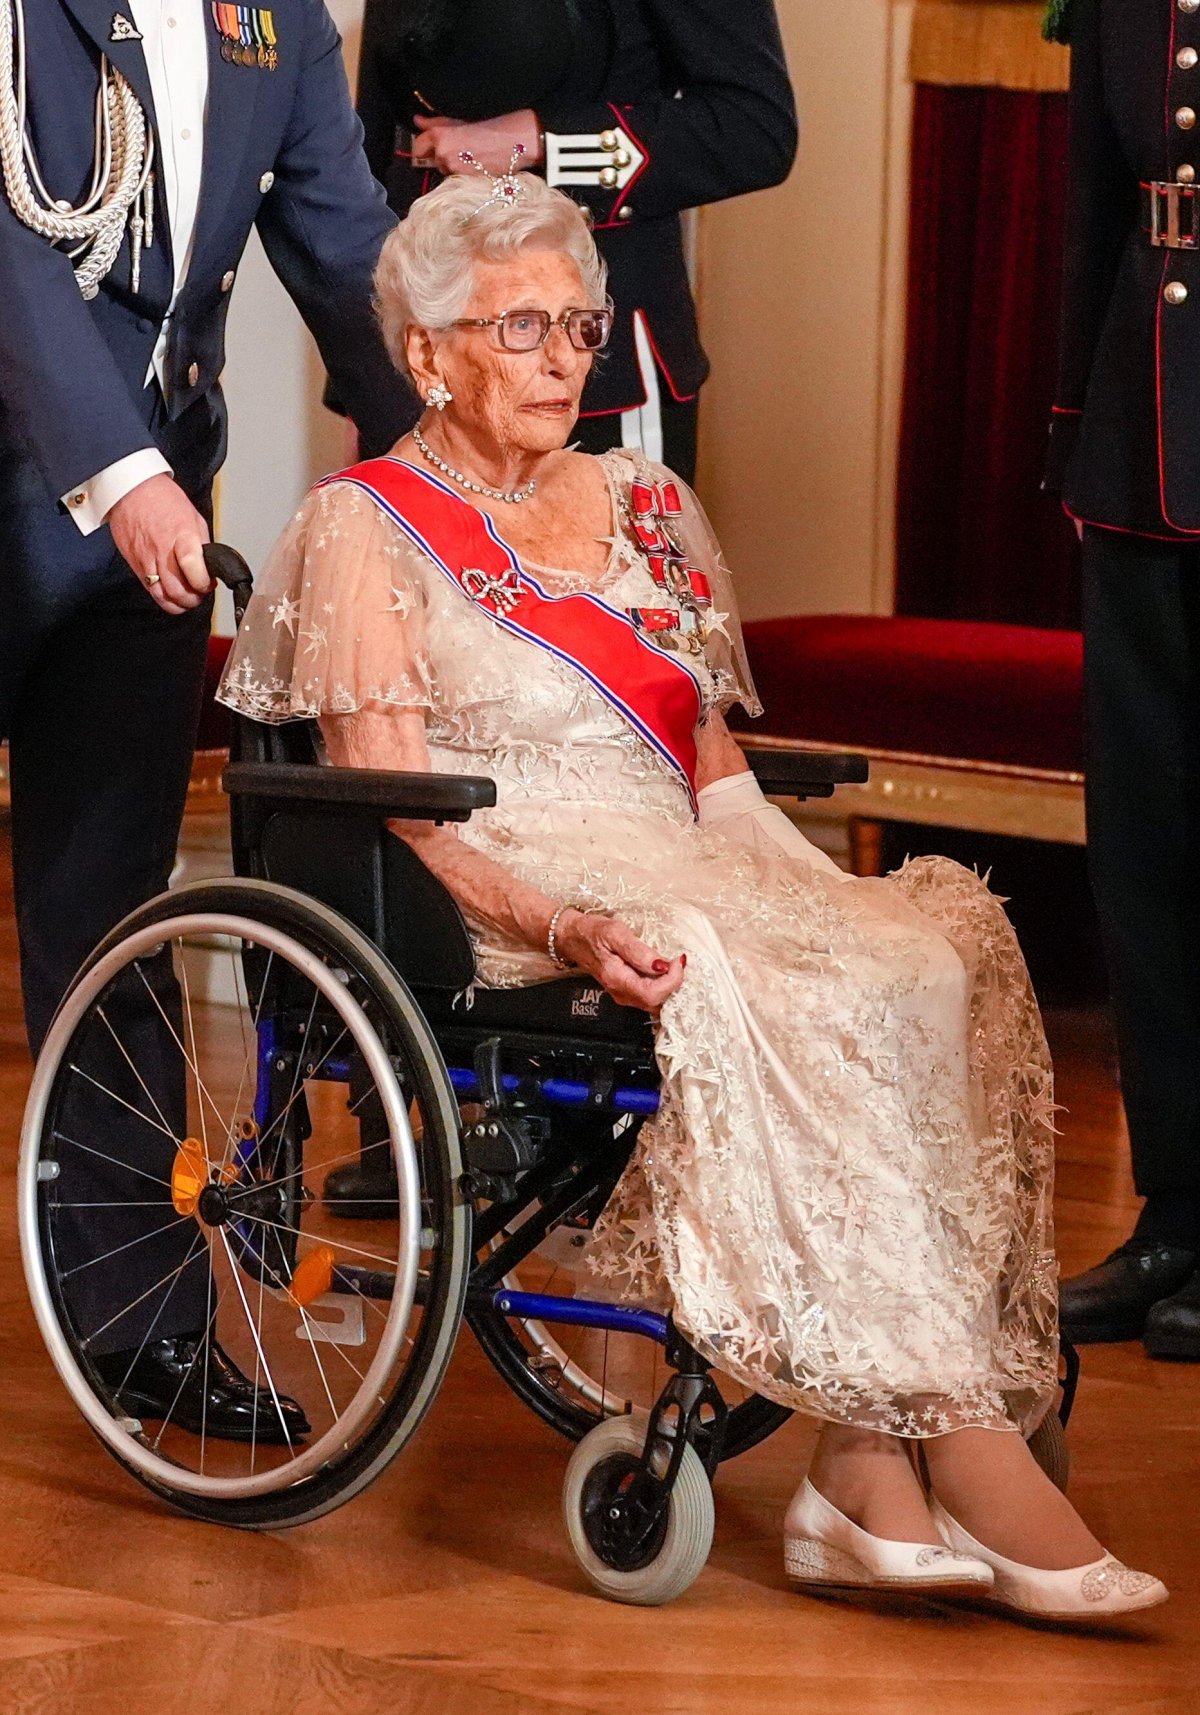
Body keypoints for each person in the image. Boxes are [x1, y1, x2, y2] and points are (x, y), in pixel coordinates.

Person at [220, 168, 1166, 1618]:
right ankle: (944, 1451)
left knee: (918, 954)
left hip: (684, 845)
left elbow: (708, 750)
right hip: (515, 877)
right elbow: (398, 815)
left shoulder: (649, 500)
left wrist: (798, 880)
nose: (563, 361)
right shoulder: (368, 529)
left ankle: (867, 1459)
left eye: (580, 328)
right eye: (521, 328)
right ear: (426, 352)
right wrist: (571, 922)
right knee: (771, 972)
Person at [0, 0, 415, 1439]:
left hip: (147, 511)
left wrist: (451, 456)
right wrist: (120, 471)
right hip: (100, 477)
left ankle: (135, 1320)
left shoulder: (275, 18)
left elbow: (346, 245)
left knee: (108, 915)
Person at [351, 0, 798, 481]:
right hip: (425, 349)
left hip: (591, 354)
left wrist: (546, 139)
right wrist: (360, 369)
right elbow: (374, 139)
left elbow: (755, 128)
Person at [1044, 0, 1200, 1359]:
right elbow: (1098, 201)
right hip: (1143, 452)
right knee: (1145, 859)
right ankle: (1175, 1212)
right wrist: (1072, 429)